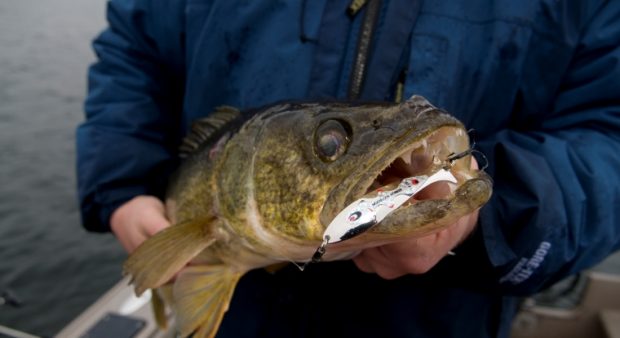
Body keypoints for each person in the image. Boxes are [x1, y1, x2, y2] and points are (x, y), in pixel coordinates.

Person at [76, 0, 620, 337]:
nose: (333, 147)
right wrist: (121, 187)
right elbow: (134, 54)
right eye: (331, 144)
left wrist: (494, 220)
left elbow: (608, 134)